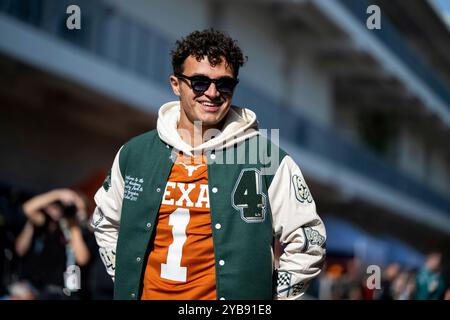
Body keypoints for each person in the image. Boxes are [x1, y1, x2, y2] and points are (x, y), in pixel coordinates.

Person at [92, 29, 326, 300]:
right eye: (200, 82)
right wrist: (125, 277)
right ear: (176, 84)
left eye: (224, 84)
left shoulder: (267, 159)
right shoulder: (134, 153)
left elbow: (309, 241)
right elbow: (104, 222)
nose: (213, 93)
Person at [14, 188, 90, 299]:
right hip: (43, 289)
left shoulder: (85, 232)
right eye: (72, 208)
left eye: (78, 209)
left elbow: (82, 259)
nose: (74, 212)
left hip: (70, 293)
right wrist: (58, 194)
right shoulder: (54, 224)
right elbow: (27, 208)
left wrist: (74, 227)